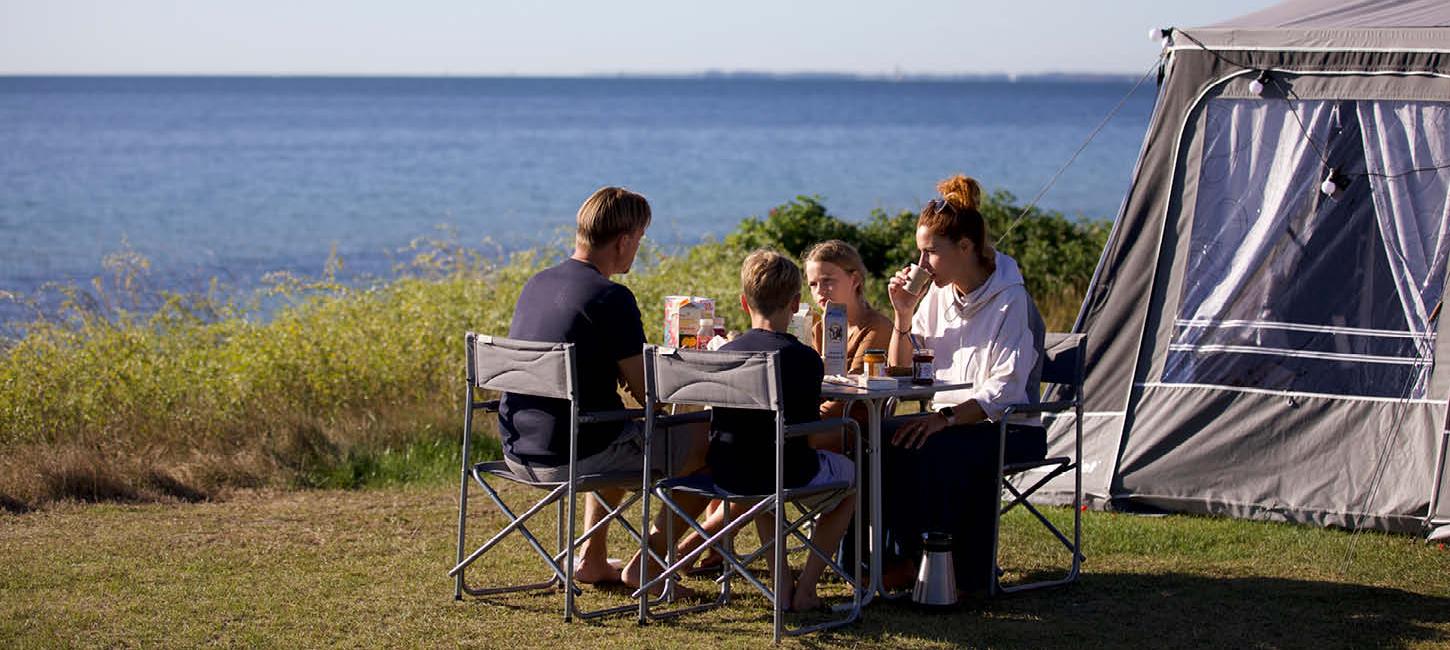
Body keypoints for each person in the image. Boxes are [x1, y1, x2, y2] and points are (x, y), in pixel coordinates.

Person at [497, 186, 709, 588]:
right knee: (715, 443)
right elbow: (650, 396)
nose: (637, 249)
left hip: (520, 448)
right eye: (640, 240)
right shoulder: (611, 297)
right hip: (579, 454)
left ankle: (592, 559)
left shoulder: (537, 284)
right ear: (624, 241)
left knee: (616, 428)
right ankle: (649, 562)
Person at [880, 174, 1047, 595]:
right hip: (950, 419)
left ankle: (943, 568)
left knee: (930, 446)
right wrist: (903, 315)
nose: (922, 265)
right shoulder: (938, 295)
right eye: (920, 252)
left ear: (966, 247)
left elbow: (1005, 391)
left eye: (931, 252)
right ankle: (883, 561)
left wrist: (945, 419)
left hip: (1007, 427)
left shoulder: (1011, 300)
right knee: (875, 438)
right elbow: (902, 371)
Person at [678, 249, 859, 611]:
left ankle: (781, 583)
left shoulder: (725, 353)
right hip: (786, 470)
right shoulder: (805, 359)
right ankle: (806, 589)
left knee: (762, 477)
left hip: (729, 471)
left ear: (744, 303)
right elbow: (809, 432)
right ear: (794, 304)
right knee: (851, 480)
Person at [803, 240, 895, 446]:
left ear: (855, 280)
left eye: (828, 281)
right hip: (821, 418)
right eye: (813, 284)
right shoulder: (818, 328)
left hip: (857, 426)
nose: (820, 291)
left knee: (787, 440)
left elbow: (854, 391)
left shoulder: (876, 327)